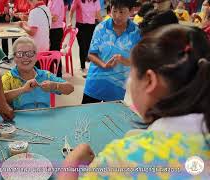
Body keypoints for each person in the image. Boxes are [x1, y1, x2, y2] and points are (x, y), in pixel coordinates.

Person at [58, 24, 210, 179]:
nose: (128, 82)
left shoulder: (122, 159)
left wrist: (73, 161)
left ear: (150, 81)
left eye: (132, 72)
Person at [82, 0, 141, 104]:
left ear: (131, 11)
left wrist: (124, 60)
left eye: (122, 12)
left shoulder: (136, 33)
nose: (117, 16)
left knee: (110, 118)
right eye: (114, 11)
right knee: (86, 117)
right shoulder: (101, 28)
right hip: (94, 83)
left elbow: (138, 61)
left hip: (117, 87)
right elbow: (91, 54)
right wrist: (103, 65)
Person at [2, 37, 74, 110]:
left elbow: (70, 88)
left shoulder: (45, 75)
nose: (25, 57)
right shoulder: (8, 77)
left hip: (44, 117)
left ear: (36, 56)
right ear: (14, 57)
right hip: (18, 119)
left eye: (30, 53)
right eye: (20, 54)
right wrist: (23, 89)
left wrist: (55, 86)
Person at [69, 0, 102, 77]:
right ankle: (83, 67)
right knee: (82, 47)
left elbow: (98, 14)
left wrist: (104, 24)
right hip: (81, 26)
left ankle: (90, 67)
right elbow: (71, 11)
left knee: (90, 47)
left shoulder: (96, 1)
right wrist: (70, 21)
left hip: (91, 26)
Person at [48, 0, 65, 77]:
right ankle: (52, 74)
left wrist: (43, 17)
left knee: (55, 54)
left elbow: (54, 18)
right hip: (52, 30)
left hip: (56, 30)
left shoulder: (57, 1)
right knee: (51, 54)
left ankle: (58, 75)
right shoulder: (50, 1)